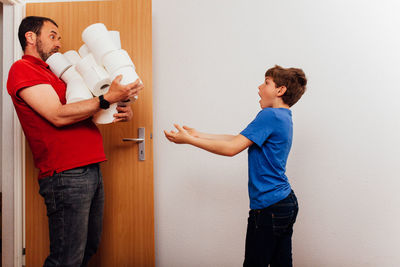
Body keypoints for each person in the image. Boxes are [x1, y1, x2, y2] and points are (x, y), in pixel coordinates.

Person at [7, 16, 143, 266]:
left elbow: (88, 105)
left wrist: (118, 107)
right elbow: (57, 115)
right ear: (30, 37)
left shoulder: (58, 72)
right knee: (66, 258)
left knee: (88, 248)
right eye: (52, 36)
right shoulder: (23, 69)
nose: (58, 43)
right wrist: (105, 99)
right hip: (65, 174)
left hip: (90, 167)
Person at [164, 65, 307, 266]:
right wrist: (198, 134)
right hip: (285, 202)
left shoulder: (270, 116)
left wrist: (189, 140)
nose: (259, 87)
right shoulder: (283, 117)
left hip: (269, 207)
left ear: (280, 90)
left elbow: (232, 148)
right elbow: (238, 139)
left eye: (266, 83)